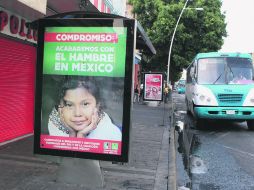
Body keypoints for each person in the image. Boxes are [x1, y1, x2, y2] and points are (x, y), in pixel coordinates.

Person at [48, 77, 122, 141]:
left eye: (85, 104)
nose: (77, 113)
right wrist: (72, 134)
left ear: (97, 106)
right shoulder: (55, 122)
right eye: (69, 105)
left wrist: (81, 136)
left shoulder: (111, 133)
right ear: (60, 108)